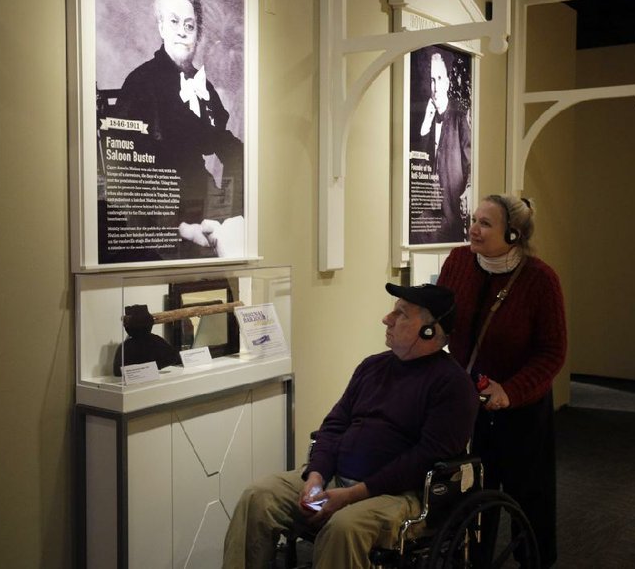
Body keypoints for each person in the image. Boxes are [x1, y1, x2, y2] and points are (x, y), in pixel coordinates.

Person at [223, 284, 478, 569]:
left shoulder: (453, 386)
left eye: (401, 314)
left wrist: (353, 495)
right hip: (337, 483)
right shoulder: (372, 367)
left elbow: (425, 459)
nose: (387, 319)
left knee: (343, 528)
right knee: (259, 497)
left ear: (430, 330)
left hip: (399, 496)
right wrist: (316, 477)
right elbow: (333, 426)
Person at [437, 194, 567, 568]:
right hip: (469, 403)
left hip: (521, 408)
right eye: (474, 220)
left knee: (529, 497)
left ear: (513, 234)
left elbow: (552, 352)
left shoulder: (540, 279)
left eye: (485, 223)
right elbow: (442, 318)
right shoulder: (458, 262)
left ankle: (535, 561)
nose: (473, 229)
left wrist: (511, 391)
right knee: (473, 493)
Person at [114, 0, 244, 256]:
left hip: (202, 206)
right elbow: (126, 175)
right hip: (160, 221)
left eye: (190, 25)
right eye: (174, 22)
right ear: (161, 27)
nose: (182, 32)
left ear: (197, 34)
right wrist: (174, 230)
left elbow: (229, 148)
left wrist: (227, 212)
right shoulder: (140, 83)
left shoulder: (203, 86)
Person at [414, 50, 471, 244]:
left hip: (452, 210)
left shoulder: (460, 118)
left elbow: (471, 162)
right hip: (430, 212)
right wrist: (425, 125)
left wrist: (469, 189)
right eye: (432, 80)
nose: (436, 87)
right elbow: (416, 164)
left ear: (447, 82)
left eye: (439, 79)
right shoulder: (425, 122)